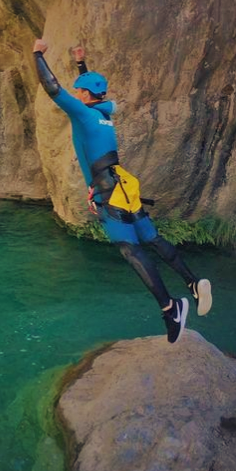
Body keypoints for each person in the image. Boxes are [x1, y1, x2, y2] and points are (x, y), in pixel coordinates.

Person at [32, 39, 212, 343]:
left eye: (79, 91)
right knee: (151, 237)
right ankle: (193, 283)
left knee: (130, 250)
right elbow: (92, 93)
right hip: (124, 184)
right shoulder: (104, 114)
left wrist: (37, 53)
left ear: (86, 96)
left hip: (108, 189)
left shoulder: (83, 113)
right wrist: (81, 64)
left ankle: (171, 308)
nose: (76, 94)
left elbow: (52, 87)